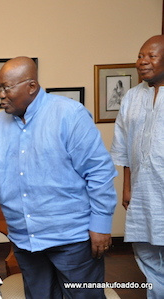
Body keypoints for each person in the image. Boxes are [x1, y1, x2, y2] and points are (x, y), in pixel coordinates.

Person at [0, 57, 117, 298]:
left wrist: (101, 225)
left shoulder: (69, 115)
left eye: (6, 88)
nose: (1, 95)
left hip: (71, 239)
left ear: (32, 87)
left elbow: (99, 171)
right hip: (26, 241)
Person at [111, 35, 164, 298]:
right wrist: (126, 188)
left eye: (150, 56)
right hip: (142, 193)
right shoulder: (132, 97)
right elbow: (123, 146)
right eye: (140, 56)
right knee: (146, 254)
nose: (142, 62)